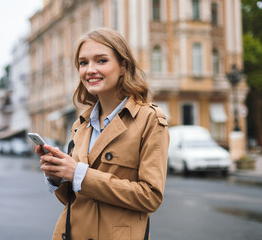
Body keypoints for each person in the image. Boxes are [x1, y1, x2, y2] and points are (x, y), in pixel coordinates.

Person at [36, 28, 169, 240]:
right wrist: (58, 177)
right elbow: (75, 200)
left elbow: (150, 197)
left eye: (101, 61)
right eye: (83, 63)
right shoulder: (80, 124)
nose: (90, 70)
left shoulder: (149, 119)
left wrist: (80, 174)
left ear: (123, 66)